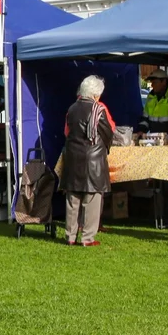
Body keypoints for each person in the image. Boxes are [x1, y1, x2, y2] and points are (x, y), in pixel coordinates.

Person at [63, 75, 115, 246]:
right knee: (92, 198)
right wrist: (105, 147)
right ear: (96, 94)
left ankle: (70, 237)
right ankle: (87, 238)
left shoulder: (71, 108)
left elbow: (66, 132)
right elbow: (108, 133)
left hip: (72, 156)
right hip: (93, 159)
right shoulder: (98, 109)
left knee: (73, 198)